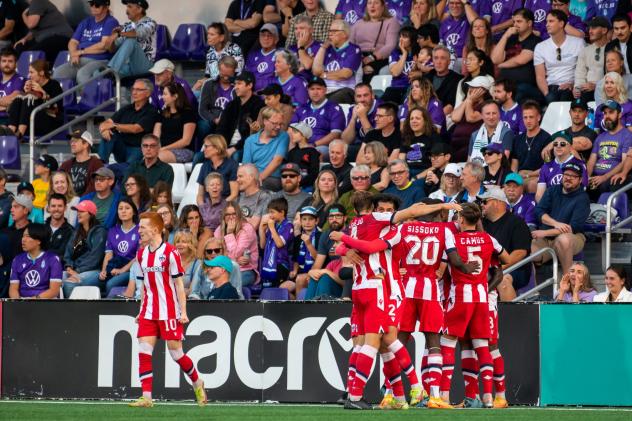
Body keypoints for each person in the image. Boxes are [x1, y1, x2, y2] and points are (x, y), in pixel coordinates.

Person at [128, 211, 206, 408]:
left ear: (155, 229)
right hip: (148, 311)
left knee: (176, 354)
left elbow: (179, 285)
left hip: (169, 311)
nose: (139, 231)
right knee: (144, 351)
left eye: (142, 228)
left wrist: (183, 311)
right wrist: (140, 309)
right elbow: (144, 284)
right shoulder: (141, 254)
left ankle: (197, 382)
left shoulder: (170, 253)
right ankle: (147, 397)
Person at [440, 202, 508, 408]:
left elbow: (443, 266)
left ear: (461, 220)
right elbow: (504, 258)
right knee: (481, 345)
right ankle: (487, 397)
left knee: (447, 343)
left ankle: (442, 396)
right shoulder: (489, 239)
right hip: (482, 296)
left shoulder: (453, 238)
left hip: (461, 295)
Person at [532, 162, 590, 276]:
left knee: (563, 240)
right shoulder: (553, 190)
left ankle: (567, 279)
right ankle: (532, 290)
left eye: (573, 176)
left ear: (580, 180)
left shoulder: (582, 198)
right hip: (546, 239)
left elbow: (573, 227)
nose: (568, 178)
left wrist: (545, 232)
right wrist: (555, 223)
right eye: (566, 174)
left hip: (573, 237)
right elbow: (539, 211)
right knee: (527, 250)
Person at [480, 186, 532, 299]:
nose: (481, 205)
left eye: (485, 201)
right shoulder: (481, 223)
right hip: (487, 267)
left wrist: (497, 269)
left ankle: (510, 316)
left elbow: (520, 252)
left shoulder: (517, 223)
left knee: (502, 281)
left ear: (497, 203)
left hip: (515, 268)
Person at [51, 0, 118, 86]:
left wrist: (81, 51)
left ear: (106, 7)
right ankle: (66, 99)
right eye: (91, 4)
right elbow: (73, 42)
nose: (93, 7)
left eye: (97, 5)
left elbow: (103, 46)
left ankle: (85, 99)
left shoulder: (111, 21)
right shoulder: (86, 21)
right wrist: (73, 54)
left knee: (82, 74)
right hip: (79, 60)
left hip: (100, 60)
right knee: (57, 73)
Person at [98, 78, 160, 164]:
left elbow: (136, 128)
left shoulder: (151, 111)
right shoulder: (126, 109)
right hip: (122, 147)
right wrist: (104, 129)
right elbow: (106, 123)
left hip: (138, 148)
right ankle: (101, 164)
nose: (134, 92)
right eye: (133, 89)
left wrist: (114, 126)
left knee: (128, 169)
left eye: (138, 90)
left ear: (148, 93)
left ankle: (115, 169)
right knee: (110, 133)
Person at [533, 10, 585, 103]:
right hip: (551, 87)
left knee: (565, 96)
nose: (547, 25)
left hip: (572, 86)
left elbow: (584, 70)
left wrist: (573, 84)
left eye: (551, 21)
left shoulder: (578, 43)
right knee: (553, 98)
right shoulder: (540, 47)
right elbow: (540, 76)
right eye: (547, 21)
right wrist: (546, 94)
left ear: (561, 24)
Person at [61, 200, 107, 298]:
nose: (78, 213)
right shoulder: (77, 232)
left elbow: (95, 258)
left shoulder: (100, 231)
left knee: (70, 283)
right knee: (56, 278)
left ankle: (72, 312)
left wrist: (77, 271)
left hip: (95, 271)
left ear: (90, 214)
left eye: (82, 211)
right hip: (75, 269)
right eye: (77, 211)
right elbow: (68, 253)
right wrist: (69, 267)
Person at [587, 100, 632, 200]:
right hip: (595, 177)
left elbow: (624, 162)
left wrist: (605, 177)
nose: (607, 116)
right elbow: (591, 161)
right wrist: (586, 178)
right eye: (605, 113)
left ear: (619, 115)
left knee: (608, 185)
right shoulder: (600, 137)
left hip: (611, 177)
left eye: (611, 112)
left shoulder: (627, 135)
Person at [291, 76, 346, 155]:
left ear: (325, 90)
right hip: (300, 145)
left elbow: (335, 134)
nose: (315, 92)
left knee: (315, 152)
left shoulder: (334, 108)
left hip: (322, 146)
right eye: (312, 89)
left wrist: (313, 145)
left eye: (318, 89)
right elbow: (291, 130)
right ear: (308, 91)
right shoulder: (301, 108)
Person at [216, 71, 265, 160]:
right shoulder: (231, 105)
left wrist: (234, 148)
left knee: (236, 156)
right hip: (226, 145)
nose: (235, 87)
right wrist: (219, 146)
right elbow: (221, 128)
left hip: (245, 147)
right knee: (199, 156)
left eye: (239, 84)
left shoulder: (259, 105)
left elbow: (254, 134)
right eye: (235, 84)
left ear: (250, 85)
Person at [7, 60, 62, 138]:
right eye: (29, 72)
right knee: (19, 98)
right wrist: (26, 92)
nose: (29, 75)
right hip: (30, 120)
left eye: (32, 72)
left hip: (49, 120)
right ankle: (10, 132)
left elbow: (56, 108)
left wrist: (43, 93)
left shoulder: (54, 85)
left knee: (28, 99)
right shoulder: (30, 84)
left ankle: (19, 135)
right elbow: (18, 105)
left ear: (42, 73)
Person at [349, 0, 400, 84]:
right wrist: (359, 62)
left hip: (380, 58)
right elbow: (350, 45)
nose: (372, 6)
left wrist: (372, 58)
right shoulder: (358, 24)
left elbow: (391, 45)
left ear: (383, 6)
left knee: (369, 72)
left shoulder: (391, 22)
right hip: (359, 58)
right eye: (369, 3)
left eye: (376, 3)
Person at [312, 19, 362, 104]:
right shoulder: (327, 49)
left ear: (345, 34)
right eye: (330, 31)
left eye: (334, 31)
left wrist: (324, 74)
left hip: (347, 90)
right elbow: (316, 71)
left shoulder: (353, 49)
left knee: (329, 101)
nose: (330, 34)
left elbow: (345, 74)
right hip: (326, 91)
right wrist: (323, 48)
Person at [97, 197, 140, 296]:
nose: (123, 211)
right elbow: (109, 254)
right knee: (98, 280)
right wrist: (104, 270)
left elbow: (139, 256)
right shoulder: (112, 231)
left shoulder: (139, 230)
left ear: (133, 212)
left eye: (127, 208)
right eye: (120, 209)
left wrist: (122, 270)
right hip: (114, 267)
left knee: (111, 284)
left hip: (131, 269)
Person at [8, 223, 62, 298]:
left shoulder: (53, 259)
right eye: (23, 236)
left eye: (28, 236)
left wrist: (34, 300)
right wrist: (18, 302)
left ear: (39, 241)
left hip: (45, 302)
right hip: (22, 303)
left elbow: (54, 290)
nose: (23, 239)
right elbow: (13, 288)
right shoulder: (17, 260)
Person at [105, 0, 156, 78]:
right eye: (127, 6)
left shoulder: (150, 23)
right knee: (98, 73)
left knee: (131, 40)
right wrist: (111, 40)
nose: (126, 10)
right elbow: (113, 49)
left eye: (130, 6)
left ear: (139, 9)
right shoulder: (127, 26)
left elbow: (138, 33)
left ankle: (112, 71)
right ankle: (111, 76)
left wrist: (119, 34)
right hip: (129, 66)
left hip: (145, 66)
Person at [242, 106, 290, 192]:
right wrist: (251, 180)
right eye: (274, 123)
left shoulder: (283, 136)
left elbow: (277, 160)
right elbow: (246, 165)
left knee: (258, 187)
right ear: (265, 121)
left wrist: (259, 178)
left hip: (272, 178)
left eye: (280, 124)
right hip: (253, 178)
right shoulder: (250, 140)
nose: (278, 127)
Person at [214, 201, 259, 287]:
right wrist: (235, 261)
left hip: (246, 270)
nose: (231, 217)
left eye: (234, 213)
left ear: (239, 215)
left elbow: (237, 253)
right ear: (223, 216)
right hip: (225, 271)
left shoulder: (247, 229)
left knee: (228, 286)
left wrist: (229, 234)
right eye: (227, 214)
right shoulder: (218, 231)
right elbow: (217, 256)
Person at [511, 100, 550, 193]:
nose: (528, 121)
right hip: (520, 177)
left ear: (538, 117)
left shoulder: (547, 138)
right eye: (525, 117)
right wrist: (514, 178)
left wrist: (529, 175)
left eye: (531, 117)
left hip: (537, 177)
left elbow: (548, 166)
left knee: (531, 185)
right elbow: (514, 166)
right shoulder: (517, 139)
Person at [536, 132, 588, 202]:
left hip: (570, 206)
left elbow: (581, 193)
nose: (558, 146)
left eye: (562, 144)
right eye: (555, 144)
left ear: (570, 147)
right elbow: (539, 195)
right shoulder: (546, 166)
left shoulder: (580, 165)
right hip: (549, 206)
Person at [152, 83, 196, 164]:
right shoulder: (162, 113)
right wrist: (156, 148)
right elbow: (155, 137)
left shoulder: (188, 113)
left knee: (156, 158)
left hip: (184, 151)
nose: (162, 97)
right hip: (162, 151)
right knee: (149, 157)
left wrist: (164, 149)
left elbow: (186, 141)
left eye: (165, 94)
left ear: (175, 96)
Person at [194, 22, 244, 89]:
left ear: (221, 37)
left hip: (231, 86)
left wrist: (210, 82)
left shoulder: (234, 49)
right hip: (213, 86)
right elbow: (208, 76)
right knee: (193, 92)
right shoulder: (210, 51)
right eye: (208, 34)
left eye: (212, 34)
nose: (208, 37)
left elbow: (238, 74)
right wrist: (201, 82)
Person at [197, 56, 238, 138]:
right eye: (223, 74)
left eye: (229, 75)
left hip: (231, 120)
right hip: (213, 119)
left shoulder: (238, 85)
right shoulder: (209, 84)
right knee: (203, 126)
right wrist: (214, 119)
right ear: (219, 70)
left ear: (234, 72)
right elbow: (202, 109)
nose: (226, 77)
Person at [259, 197, 293, 289]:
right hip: (267, 265)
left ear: (282, 212)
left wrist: (272, 228)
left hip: (280, 265)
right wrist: (262, 230)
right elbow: (262, 245)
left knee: (277, 293)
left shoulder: (288, 225)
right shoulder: (273, 225)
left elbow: (279, 244)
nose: (270, 215)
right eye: (269, 212)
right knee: (266, 293)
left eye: (272, 212)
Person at [573, 16, 608, 103]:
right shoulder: (585, 50)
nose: (590, 31)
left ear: (604, 30)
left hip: (607, 89)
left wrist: (597, 86)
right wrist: (577, 87)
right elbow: (580, 73)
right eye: (589, 28)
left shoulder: (613, 49)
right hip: (587, 89)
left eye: (594, 28)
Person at [399, 107, 443, 178]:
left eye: (417, 118)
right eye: (411, 118)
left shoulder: (434, 137)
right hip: (406, 173)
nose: (414, 121)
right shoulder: (406, 137)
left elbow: (437, 165)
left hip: (425, 173)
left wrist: (417, 177)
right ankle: (373, 189)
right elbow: (401, 161)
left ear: (425, 121)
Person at [196, 134, 238, 205]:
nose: (203, 149)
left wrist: (218, 208)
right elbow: (200, 194)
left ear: (217, 148)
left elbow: (234, 194)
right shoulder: (205, 166)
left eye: (206, 146)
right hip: (207, 207)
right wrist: (203, 208)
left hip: (226, 207)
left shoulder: (232, 165)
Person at [60, 130, 104, 196]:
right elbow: (57, 182)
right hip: (66, 201)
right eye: (71, 141)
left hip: (85, 202)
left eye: (75, 141)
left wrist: (79, 202)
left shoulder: (96, 164)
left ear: (86, 144)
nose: (72, 144)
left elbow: (93, 189)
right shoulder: (65, 165)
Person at [341, 83, 380, 157]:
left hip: (377, 148)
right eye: (359, 96)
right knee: (341, 150)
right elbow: (346, 141)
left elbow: (374, 141)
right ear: (355, 98)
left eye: (365, 95)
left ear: (372, 95)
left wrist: (362, 117)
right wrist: (353, 118)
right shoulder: (353, 109)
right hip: (359, 145)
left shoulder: (381, 109)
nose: (362, 100)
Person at [439, 0, 479, 69]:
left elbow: (476, 24)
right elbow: (441, 45)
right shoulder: (445, 22)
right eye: (452, 3)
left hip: (463, 58)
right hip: (448, 59)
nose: (454, 6)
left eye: (458, 3)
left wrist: (466, 3)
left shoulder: (468, 19)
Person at [423, 45, 461, 116]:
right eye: (436, 58)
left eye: (442, 58)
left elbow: (450, 106)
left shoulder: (457, 79)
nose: (438, 62)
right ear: (432, 61)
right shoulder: (426, 77)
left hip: (444, 117)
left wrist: (432, 120)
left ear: (449, 61)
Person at [286, 15, 322, 82]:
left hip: (311, 84)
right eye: (296, 28)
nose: (298, 31)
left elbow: (307, 65)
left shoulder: (320, 47)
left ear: (311, 30)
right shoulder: (291, 49)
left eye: (302, 28)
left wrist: (300, 46)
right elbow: (284, 71)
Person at [245, 24, 279, 92]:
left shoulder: (281, 55)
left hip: (271, 95)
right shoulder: (252, 55)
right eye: (263, 35)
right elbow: (246, 77)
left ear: (276, 39)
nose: (266, 38)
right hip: (252, 94)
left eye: (269, 35)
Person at [285, 121, 320, 188]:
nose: (292, 135)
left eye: (295, 132)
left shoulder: (312, 152)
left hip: (306, 187)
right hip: (291, 186)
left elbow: (314, 173)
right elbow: (287, 169)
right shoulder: (292, 152)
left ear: (303, 135)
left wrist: (299, 183)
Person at [236, 164, 271, 230]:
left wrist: (236, 218)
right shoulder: (238, 197)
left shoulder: (264, 197)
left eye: (240, 176)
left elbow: (254, 225)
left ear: (251, 177)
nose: (237, 180)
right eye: (237, 177)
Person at [45, 193, 74, 265]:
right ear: (48, 208)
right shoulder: (41, 229)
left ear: (65, 208)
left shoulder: (71, 231)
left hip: (60, 270)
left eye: (60, 206)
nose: (56, 209)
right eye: (53, 206)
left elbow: (65, 255)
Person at [171, 229, 201, 295]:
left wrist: (172, 291)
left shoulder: (197, 264)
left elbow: (193, 291)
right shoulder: (171, 262)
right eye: (178, 241)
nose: (180, 244)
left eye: (184, 242)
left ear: (191, 244)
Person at [0, 48, 25, 120]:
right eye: (4, 61)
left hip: (7, 119)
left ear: (16, 63)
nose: (7, 64)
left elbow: (11, 101)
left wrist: (6, 105)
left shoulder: (20, 80)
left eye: (10, 61)